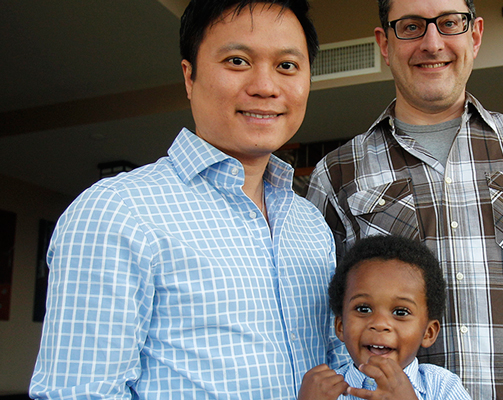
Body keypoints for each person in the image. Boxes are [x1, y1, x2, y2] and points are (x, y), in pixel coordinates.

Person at [29, 1, 346, 398]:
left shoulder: (308, 223)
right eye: (237, 60)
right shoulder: (117, 212)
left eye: (287, 66)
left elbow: (339, 365)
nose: (266, 86)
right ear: (189, 76)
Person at [306, 0, 503, 399]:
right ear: (385, 44)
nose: (432, 43)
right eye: (411, 26)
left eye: (449, 23)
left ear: (475, 34)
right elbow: (319, 320)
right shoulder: (337, 173)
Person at [299, 235, 472, 400]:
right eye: (363, 308)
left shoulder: (441, 387)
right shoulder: (323, 391)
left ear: (428, 332)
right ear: (340, 326)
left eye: (401, 312)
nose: (380, 324)